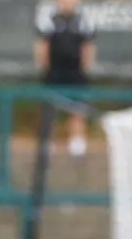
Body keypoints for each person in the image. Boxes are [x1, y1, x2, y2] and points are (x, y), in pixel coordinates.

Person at [34, 0, 96, 158]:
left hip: (75, 73)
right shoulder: (49, 20)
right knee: (50, 109)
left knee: (78, 109)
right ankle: (47, 144)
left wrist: (86, 66)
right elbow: (43, 44)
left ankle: (77, 146)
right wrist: (44, 66)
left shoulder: (83, 21)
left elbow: (88, 45)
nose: (67, 3)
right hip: (55, 72)